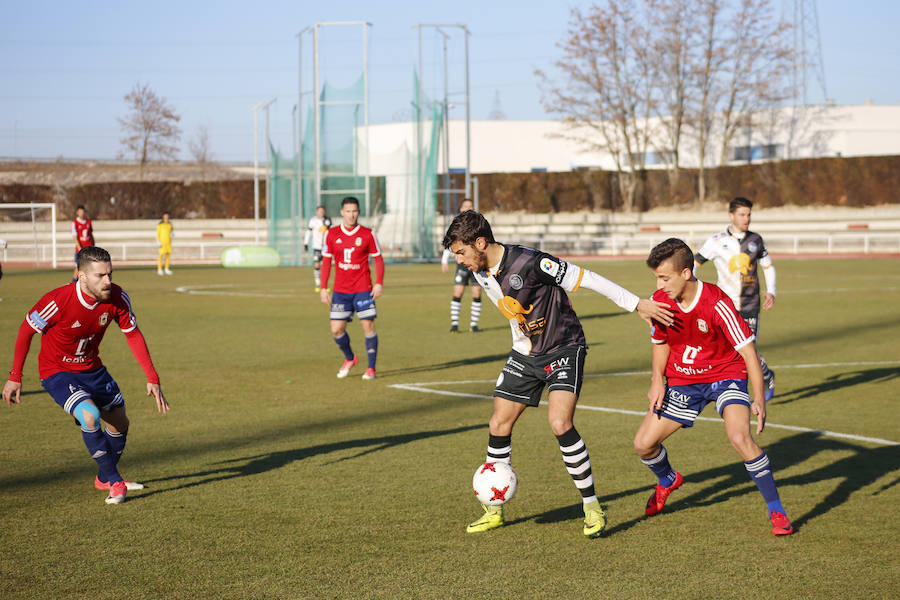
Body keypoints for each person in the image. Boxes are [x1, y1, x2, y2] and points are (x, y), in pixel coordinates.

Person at [442, 210, 674, 538]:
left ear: (481, 242)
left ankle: (592, 507)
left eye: (462, 252)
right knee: (498, 423)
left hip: (565, 346)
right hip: (527, 353)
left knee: (559, 422)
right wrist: (520, 349)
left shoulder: (531, 262)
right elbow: (514, 314)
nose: (460, 261)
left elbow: (588, 278)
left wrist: (637, 304)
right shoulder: (481, 272)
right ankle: (493, 510)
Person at [634, 238, 793, 536]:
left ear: (686, 273)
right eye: (656, 277)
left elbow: (748, 353)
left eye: (664, 277)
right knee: (643, 444)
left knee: (739, 437)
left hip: (725, 375)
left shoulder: (717, 303)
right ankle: (668, 480)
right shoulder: (662, 300)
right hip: (684, 380)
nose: (660, 284)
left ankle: (776, 510)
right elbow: (660, 343)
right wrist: (658, 379)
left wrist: (759, 396)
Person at [2, 246, 169, 504]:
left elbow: (133, 334)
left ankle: (104, 477)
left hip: (93, 369)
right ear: (81, 276)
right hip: (57, 371)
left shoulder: (117, 297)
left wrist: (152, 377)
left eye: (110, 274)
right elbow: (26, 331)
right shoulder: (57, 301)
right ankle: (115, 482)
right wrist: (15, 376)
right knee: (89, 415)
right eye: (100, 275)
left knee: (120, 423)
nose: (108, 281)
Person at [694, 197, 777, 401]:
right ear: (731, 215)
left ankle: (766, 375)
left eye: (748, 214)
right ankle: (729, 395)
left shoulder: (756, 240)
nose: (746, 218)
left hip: (750, 304)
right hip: (724, 305)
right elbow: (695, 263)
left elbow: (767, 266)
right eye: (742, 214)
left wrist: (771, 291)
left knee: (747, 351)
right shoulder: (716, 241)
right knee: (724, 351)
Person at [319, 197, 384, 380]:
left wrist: (379, 283)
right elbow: (326, 262)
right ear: (342, 213)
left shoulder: (368, 234)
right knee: (336, 330)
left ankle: (371, 368)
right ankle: (350, 358)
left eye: (354, 211)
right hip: (340, 290)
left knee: (368, 326)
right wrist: (323, 288)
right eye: (348, 211)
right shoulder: (331, 234)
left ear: (359, 212)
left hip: (363, 288)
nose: (351, 215)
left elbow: (378, 259)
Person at [441, 199, 483, 333]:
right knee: (458, 292)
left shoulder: (478, 224)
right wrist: (444, 260)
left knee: (477, 293)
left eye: (470, 206)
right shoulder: (456, 225)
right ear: (461, 208)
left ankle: (474, 325)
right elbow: (450, 242)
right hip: (462, 264)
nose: (467, 208)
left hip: (476, 263)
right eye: (465, 206)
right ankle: (454, 324)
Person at [305, 205, 333, 292]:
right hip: (317, 246)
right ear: (317, 212)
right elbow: (308, 232)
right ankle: (317, 283)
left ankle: (324, 285)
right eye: (319, 211)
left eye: (322, 211)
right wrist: (306, 243)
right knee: (317, 264)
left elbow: (331, 232)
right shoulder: (313, 221)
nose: (321, 213)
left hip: (325, 246)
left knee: (325, 265)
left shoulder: (327, 220)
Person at [72, 205, 94, 281]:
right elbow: (75, 237)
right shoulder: (75, 223)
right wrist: (79, 248)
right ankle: (73, 285)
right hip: (80, 250)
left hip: (89, 249)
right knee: (78, 268)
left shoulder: (89, 222)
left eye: (83, 211)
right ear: (77, 213)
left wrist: (93, 247)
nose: (82, 213)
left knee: (91, 268)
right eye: (80, 212)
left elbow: (90, 235)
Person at [156, 211, 174, 275]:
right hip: (162, 243)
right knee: (161, 256)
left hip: (168, 243)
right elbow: (158, 234)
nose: (166, 217)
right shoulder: (160, 225)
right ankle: (159, 269)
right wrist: (158, 242)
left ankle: (166, 268)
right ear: (163, 217)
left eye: (167, 216)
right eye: (165, 216)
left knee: (168, 256)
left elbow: (172, 232)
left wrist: (172, 235)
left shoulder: (170, 224)